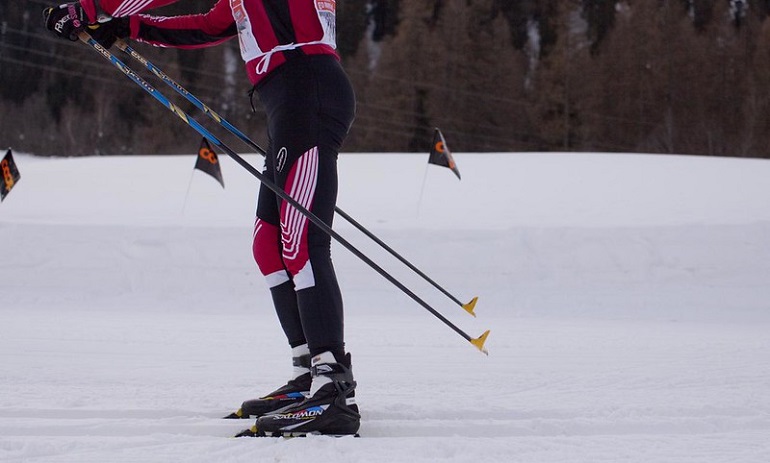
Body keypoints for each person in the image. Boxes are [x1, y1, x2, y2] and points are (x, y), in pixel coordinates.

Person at [43, 0, 359, 437]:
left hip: (308, 90)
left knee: (302, 242)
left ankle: (333, 389)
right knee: (269, 245)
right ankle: (309, 374)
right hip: (288, 100)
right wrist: (126, 26)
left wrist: (90, 8)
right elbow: (208, 26)